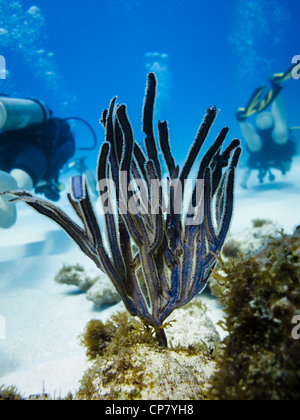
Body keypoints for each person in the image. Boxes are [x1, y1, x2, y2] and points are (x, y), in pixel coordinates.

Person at [0, 97, 75, 229]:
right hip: (31, 153)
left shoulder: (29, 126)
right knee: (15, 186)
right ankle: (10, 196)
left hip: (3, 144)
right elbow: (57, 161)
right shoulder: (66, 139)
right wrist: (46, 179)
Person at [237, 94, 297, 188]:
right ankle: (242, 121)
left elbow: (248, 169)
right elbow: (287, 168)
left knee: (257, 144)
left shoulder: (257, 159)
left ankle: (242, 121)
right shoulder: (279, 157)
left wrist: (243, 183)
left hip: (264, 141)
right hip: (269, 143)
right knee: (279, 135)